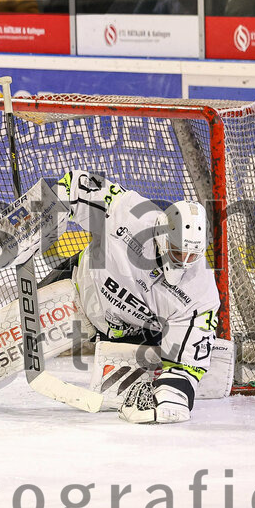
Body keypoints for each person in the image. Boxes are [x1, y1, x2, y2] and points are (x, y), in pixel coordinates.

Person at [51, 170, 220, 423]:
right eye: (177, 251)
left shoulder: (201, 294)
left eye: (191, 255)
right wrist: (41, 216)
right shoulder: (130, 212)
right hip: (78, 282)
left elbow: (185, 367)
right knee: (13, 326)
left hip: (126, 335)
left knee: (111, 398)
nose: (184, 261)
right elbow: (76, 187)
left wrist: (168, 405)